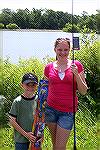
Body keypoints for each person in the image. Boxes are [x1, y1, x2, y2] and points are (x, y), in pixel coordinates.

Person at [44, 38, 88, 150]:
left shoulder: (77, 65)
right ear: (55, 49)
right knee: (56, 145)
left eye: (66, 49)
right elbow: (44, 88)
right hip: (50, 110)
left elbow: (83, 91)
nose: (62, 52)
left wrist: (76, 74)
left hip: (67, 112)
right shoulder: (48, 67)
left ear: (70, 50)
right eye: (60, 49)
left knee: (59, 146)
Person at [9, 72, 40, 150]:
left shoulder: (39, 100)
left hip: (35, 139)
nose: (30, 87)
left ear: (37, 86)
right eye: (27, 84)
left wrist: (39, 135)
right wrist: (26, 135)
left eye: (33, 85)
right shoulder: (17, 101)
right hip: (21, 140)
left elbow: (42, 118)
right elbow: (12, 121)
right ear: (22, 85)